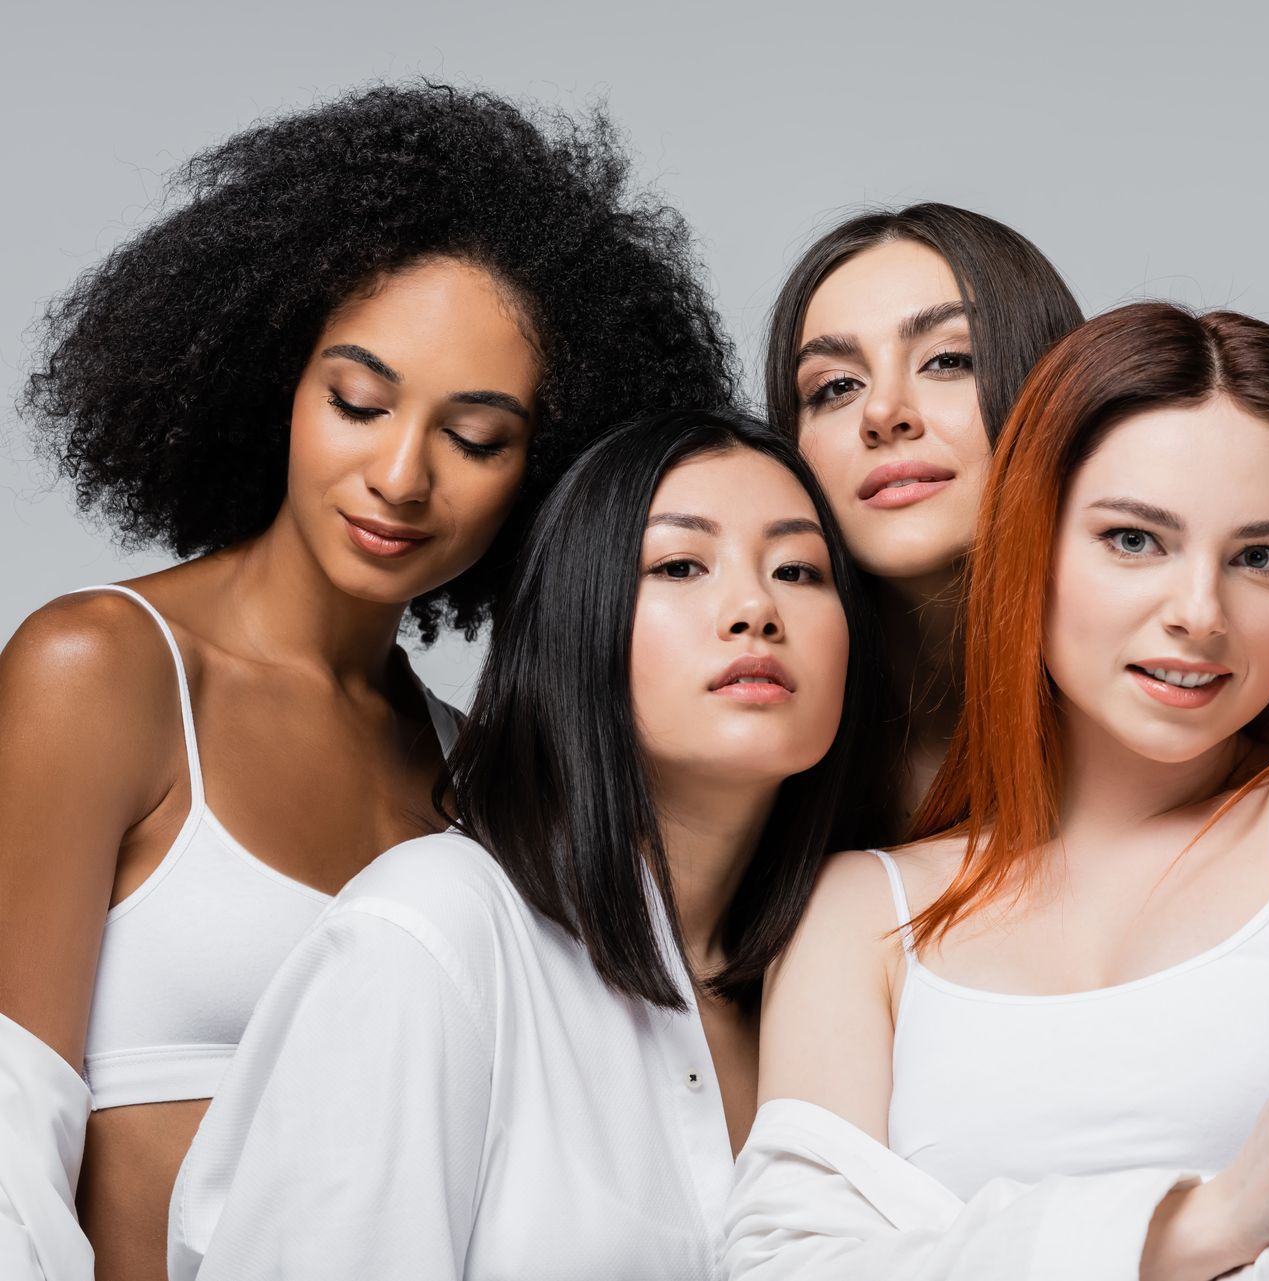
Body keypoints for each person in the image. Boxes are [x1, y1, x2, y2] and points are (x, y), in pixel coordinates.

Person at [0, 84, 732, 1280]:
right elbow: (5, 1135)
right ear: (275, 379)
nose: (400, 473)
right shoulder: (104, 673)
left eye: (477, 438)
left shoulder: (475, 774)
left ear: (540, 479)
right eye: (359, 399)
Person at [726, 303, 1269, 1279]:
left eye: (1261, 558)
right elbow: (787, 1269)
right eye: (1135, 541)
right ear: (1034, 545)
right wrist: (1203, 1223)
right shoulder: (859, 912)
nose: (1199, 613)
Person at [169, 409, 883, 1278]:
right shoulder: (432, 935)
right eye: (680, 565)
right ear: (575, 621)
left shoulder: (842, 989)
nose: (754, 609)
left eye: (799, 569)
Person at [764, 204, 1083, 830]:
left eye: (947, 361)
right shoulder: (760, 753)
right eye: (834, 387)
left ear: (1055, 390)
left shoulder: (1177, 736)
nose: (882, 412)